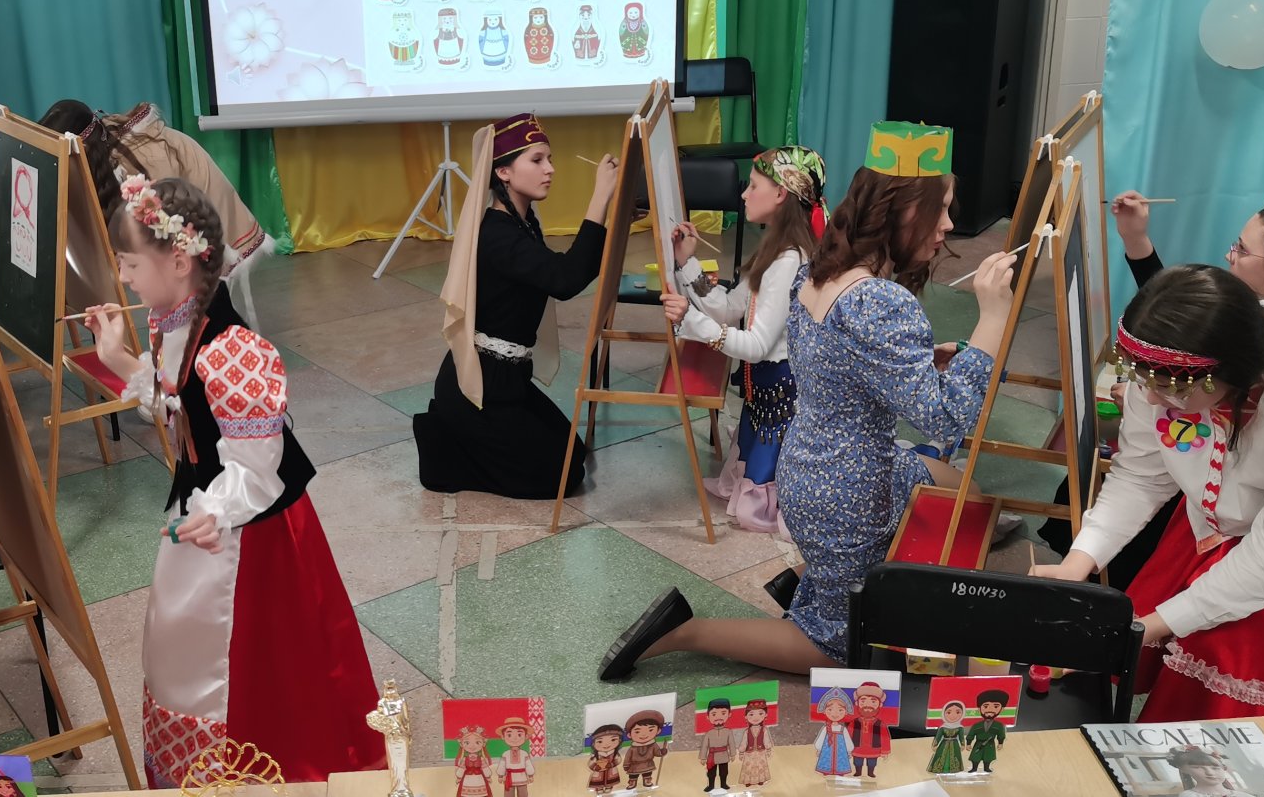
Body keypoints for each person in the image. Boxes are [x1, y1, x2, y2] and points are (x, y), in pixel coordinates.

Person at [600, 123, 1016, 678]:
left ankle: (812, 582)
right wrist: (993, 318)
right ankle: (685, 630)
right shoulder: (880, 301)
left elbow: (843, 361)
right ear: (906, 211)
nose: (947, 225)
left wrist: (920, 362)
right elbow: (945, 417)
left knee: (961, 491)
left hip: (808, 468)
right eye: (941, 210)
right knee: (836, 651)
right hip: (847, 492)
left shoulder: (822, 268)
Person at [1032, 265, 1264, 775]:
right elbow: (1141, 475)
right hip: (1247, 500)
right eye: (1142, 379)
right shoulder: (1170, 364)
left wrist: (1140, 630)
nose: (1151, 398)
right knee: (1198, 627)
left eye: (1169, 388)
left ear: (1232, 375)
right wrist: (1079, 561)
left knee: (1240, 658)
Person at [86, 177, 382, 785]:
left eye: (130, 263)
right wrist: (117, 359)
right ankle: (206, 768)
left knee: (253, 661)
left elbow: (254, 468)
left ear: (178, 261)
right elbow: (180, 401)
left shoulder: (233, 349)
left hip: (255, 533)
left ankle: (265, 768)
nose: (124, 277)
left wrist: (217, 512)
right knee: (186, 646)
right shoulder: (176, 320)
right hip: (210, 513)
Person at [1039, 183, 1264, 586]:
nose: (1229, 255)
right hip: (1234, 524)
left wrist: (1159, 617)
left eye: (1240, 248)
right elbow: (1141, 474)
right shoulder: (1234, 337)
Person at [414, 113, 619, 499]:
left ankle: (470, 439)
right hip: (480, 387)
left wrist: (612, 218)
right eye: (537, 160)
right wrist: (600, 198)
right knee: (560, 477)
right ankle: (451, 443)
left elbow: (566, 269)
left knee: (573, 453)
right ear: (504, 172)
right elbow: (564, 281)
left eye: (550, 159)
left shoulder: (523, 223)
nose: (550, 169)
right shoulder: (497, 234)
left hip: (510, 379)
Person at [662, 146, 827, 533]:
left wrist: (691, 322)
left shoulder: (789, 260)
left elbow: (756, 346)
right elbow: (730, 307)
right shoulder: (776, 248)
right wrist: (687, 262)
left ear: (781, 194)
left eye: (753, 186)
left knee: (758, 508)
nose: (744, 194)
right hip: (764, 392)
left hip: (781, 394)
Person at [37, 99, 273, 330]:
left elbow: (168, 221)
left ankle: (224, 338)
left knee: (202, 297)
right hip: (179, 223)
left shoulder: (144, 162)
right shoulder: (106, 150)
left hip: (200, 215)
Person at [964, 689, 1008, 773]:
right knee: (975, 756)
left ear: (1002, 709)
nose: (990, 709)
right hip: (978, 743)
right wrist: (969, 743)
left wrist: (1000, 743)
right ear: (979, 708)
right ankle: (974, 768)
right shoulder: (977, 725)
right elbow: (971, 734)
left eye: (996, 706)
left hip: (990, 744)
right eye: (985, 706)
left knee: (988, 757)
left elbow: (1001, 734)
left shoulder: (999, 725)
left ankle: (986, 768)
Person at [697, 698, 733, 792]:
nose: (718, 717)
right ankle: (711, 785)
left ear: (729, 714)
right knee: (711, 773)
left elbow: (731, 743)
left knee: (724, 772)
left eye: (723, 713)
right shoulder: (709, 733)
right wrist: (703, 757)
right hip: (712, 757)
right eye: (714, 714)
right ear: (708, 716)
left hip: (724, 755)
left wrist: (733, 754)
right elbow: (704, 746)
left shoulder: (728, 731)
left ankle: (723, 784)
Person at [493, 718, 535, 797]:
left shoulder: (524, 754)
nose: (515, 738)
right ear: (503, 736)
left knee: (523, 794)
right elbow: (502, 765)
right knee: (508, 794)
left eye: (519, 735)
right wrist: (500, 776)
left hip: (522, 777)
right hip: (509, 778)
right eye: (509, 735)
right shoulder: (505, 754)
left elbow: (528, 765)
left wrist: (530, 775)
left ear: (526, 736)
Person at [734, 699, 771, 789]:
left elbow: (766, 740)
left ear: (765, 715)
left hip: (760, 752)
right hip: (749, 753)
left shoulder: (764, 730)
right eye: (751, 714)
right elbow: (744, 742)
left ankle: (760, 780)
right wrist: (741, 752)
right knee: (749, 767)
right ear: (746, 716)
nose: (756, 717)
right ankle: (748, 781)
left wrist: (768, 749)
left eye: (760, 713)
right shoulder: (747, 731)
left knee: (760, 766)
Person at [926, 701, 967, 775]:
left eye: (958, 712)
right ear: (944, 713)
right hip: (943, 744)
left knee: (955, 756)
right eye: (949, 712)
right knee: (940, 756)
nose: (953, 716)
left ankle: (954, 770)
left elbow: (961, 737)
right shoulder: (942, 727)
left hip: (955, 745)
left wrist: (963, 744)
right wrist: (934, 745)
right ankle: (939, 769)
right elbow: (938, 737)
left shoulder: (960, 727)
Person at [454, 727, 493, 797]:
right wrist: (459, 777)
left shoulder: (481, 759)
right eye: (467, 742)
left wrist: (488, 776)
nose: (472, 746)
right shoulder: (464, 760)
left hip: (479, 779)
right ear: (461, 744)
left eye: (477, 742)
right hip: (467, 779)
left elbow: (486, 769)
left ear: (483, 744)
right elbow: (461, 770)